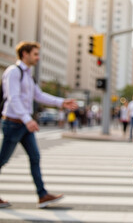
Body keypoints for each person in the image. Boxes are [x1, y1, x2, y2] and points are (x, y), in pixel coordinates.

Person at [0, 41, 78, 208]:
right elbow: (13, 98)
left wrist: (61, 102)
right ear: (25, 54)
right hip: (13, 123)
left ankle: (42, 195)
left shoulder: (28, 75)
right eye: (35, 54)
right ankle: (42, 194)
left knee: (35, 157)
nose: (38, 57)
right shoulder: (14, 72)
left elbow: (39, 95)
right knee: (2, 159)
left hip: (24, 124)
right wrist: (28, 120)